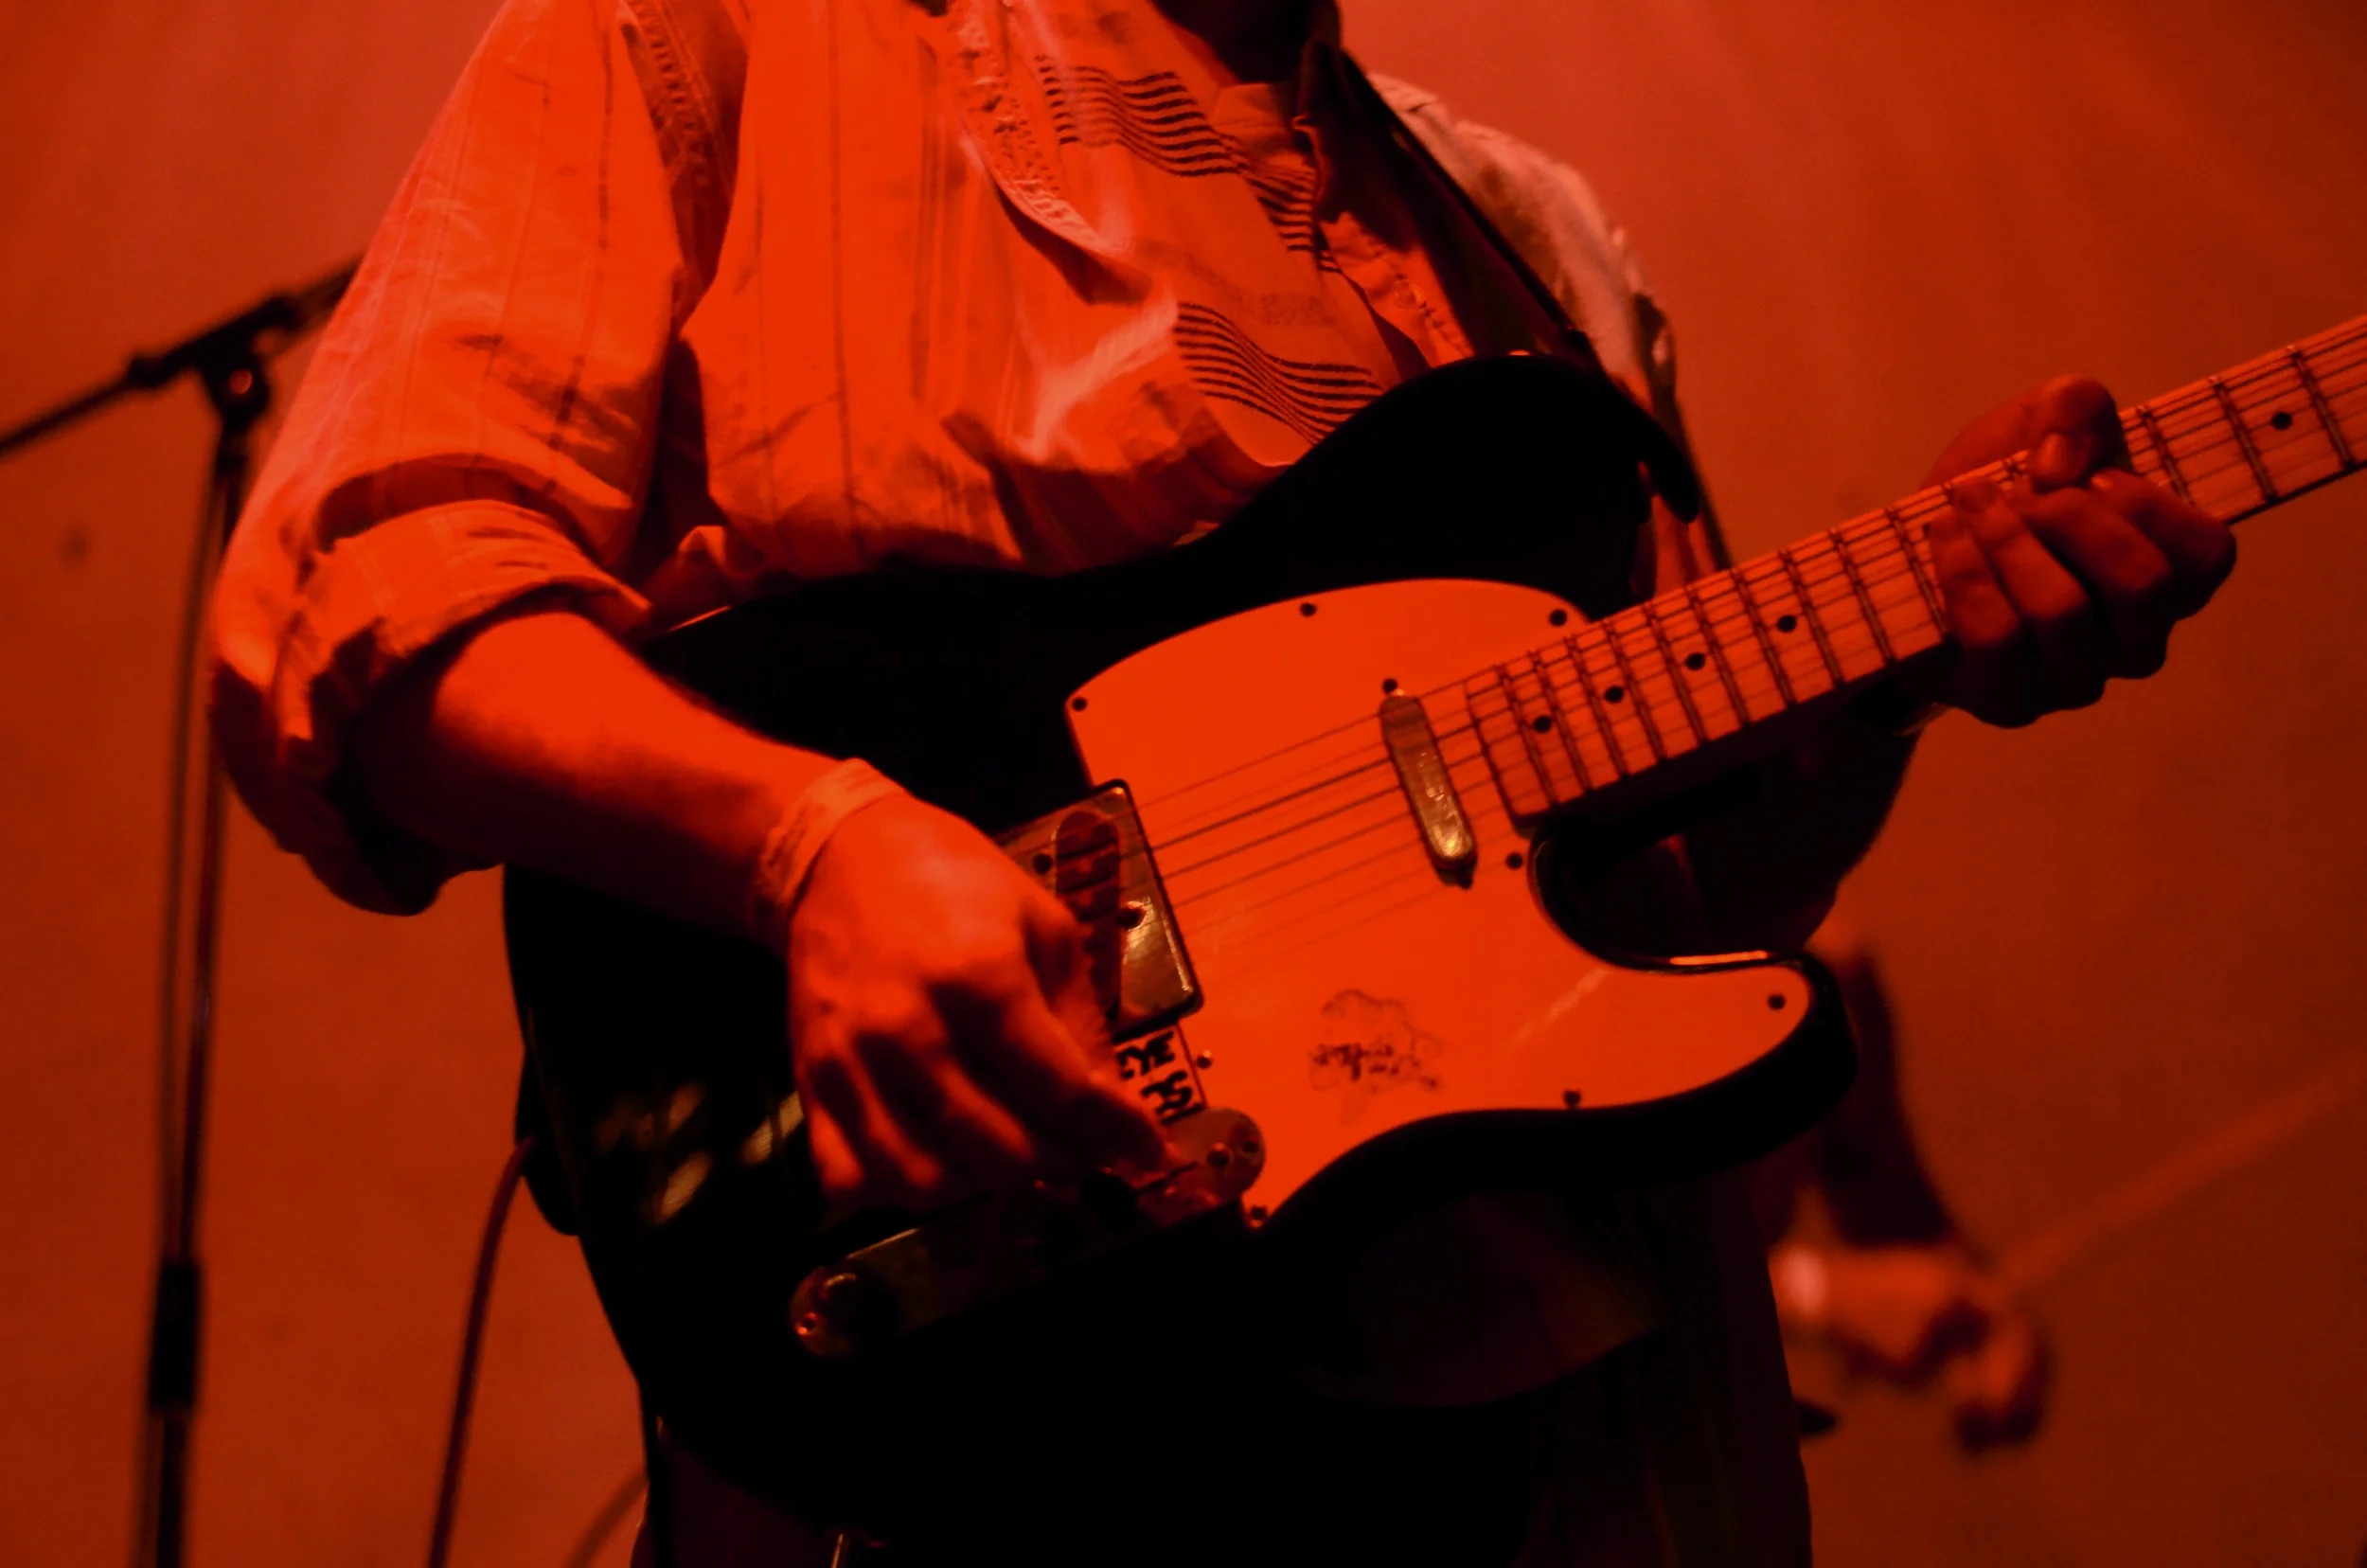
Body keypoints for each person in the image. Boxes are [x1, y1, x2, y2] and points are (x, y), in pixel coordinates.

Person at [209, 0, 2232, 1560]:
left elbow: (1676, 918)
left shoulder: (1534, 252)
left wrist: (1898, 660)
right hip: (1003, 1451)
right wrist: (808, 847)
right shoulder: (730, 33)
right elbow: (368, 599)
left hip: (1575, 1488)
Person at [1757, 908, 2051, 1453]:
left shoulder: (1826, 971)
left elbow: (1879, 1192)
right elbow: (1593, 1280)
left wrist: (1974, 1300)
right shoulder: (1621, 968)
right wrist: (1820, 1296)